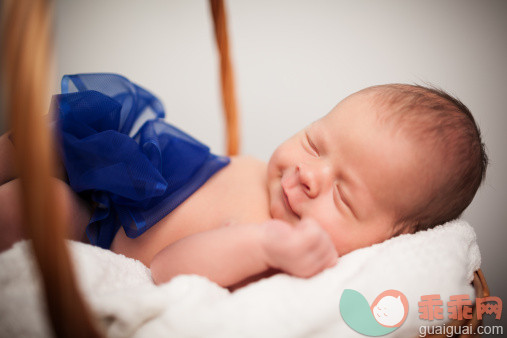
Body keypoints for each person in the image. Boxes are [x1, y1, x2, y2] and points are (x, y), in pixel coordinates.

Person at [0, 74, 487, 290]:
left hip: (98, 229)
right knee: (43, 138)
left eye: (343, 194)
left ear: (388, 238)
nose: (308, 174)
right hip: (135, 166)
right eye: (315, 143)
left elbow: (167, 269)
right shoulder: (271, 181)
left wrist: (263, 245)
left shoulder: (285, 259)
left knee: (21, 205)